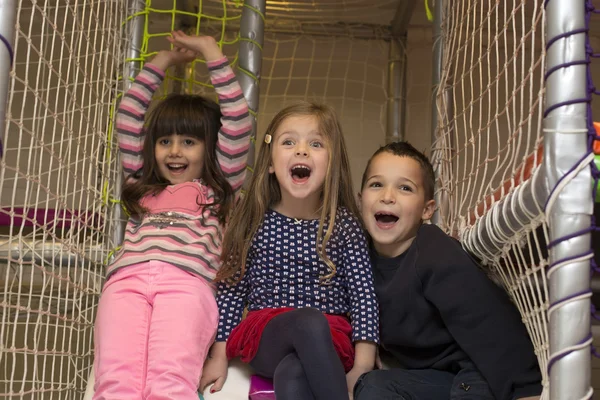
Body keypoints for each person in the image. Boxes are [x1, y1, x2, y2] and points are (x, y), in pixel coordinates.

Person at [93, 31, 251, 399]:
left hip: (187, 285)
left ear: (211, 148)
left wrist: (210, 51)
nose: (174, 151)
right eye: (165, 141)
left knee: (169, 381)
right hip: (126, 283)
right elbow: (129, 117)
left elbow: (238, 119)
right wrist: (162, 62)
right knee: (115, 381)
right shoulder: (144, 185)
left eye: (189, 142)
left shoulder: (218, 189)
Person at [201, 102, 379, 400]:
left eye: (315, 143)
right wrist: (218, 355)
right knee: (307, 321)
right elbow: (232, 291)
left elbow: (363, 296)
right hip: (266, 333)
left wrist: (361, 366)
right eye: (289, 142)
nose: (301, 150)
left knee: (293, 373)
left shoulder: (345, 225)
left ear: (332, 163)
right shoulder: (253, 219)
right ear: (270, 163)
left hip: (330, 338)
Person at [354, 141, 543, 400]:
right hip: (429, 379)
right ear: (360, 199)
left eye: (405, 188)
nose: (387, 196)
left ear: (427, 209)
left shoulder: (434, 252)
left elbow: (492, 326)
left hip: (477, 373)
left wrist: (526, 389)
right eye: (376, 184)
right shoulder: (355, 256)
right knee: (371, 386)